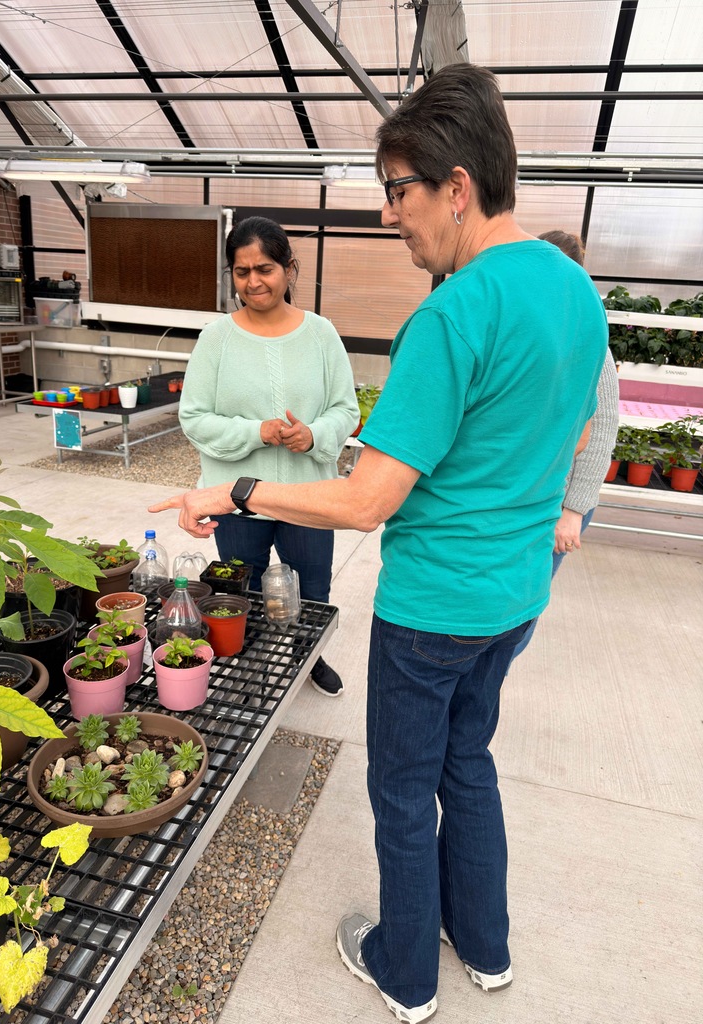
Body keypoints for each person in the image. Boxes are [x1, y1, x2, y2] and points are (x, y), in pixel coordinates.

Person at [150, 65, 607, 1023]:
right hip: (517, 594)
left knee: (401, 789)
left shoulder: (452, 314)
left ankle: (406, 972)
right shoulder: (574, 289)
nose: (389, 214)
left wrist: (234, 488)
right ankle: (484, 946)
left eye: (398, 191)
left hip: (434, 606)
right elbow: (561, 433)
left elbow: (365, 503)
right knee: (467, 763)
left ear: (457, 187)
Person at [176, 216, 359, 697]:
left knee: (313, 588)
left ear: (289, 269)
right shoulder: (216, 338)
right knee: (242, 590)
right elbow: (193, 417)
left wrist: (313, 435)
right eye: (242, 271)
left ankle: (308, 656)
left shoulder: (321, 334)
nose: (253, 281)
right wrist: (256, 432)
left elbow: (346, 409)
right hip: (237, 497)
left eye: (265, 269)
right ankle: (250, 663)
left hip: (308, 496)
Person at [511, 230, 620, 661]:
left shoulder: (588, 337)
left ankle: (496, 675)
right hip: (529, 492)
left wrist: (573, 511)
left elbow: (603, 426)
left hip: (560, 503)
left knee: (523, 604)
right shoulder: (539, 328)